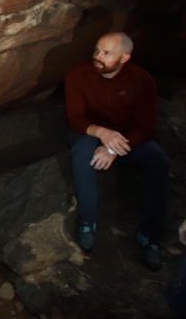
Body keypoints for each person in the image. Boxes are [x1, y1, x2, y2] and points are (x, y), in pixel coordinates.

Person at [65, 32, 169, 271]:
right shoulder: (78, 75)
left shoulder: (142, 81)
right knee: (83, 153)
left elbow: (146, 126)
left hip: (125, 136)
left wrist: (112, 147)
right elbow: (75, 118)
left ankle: (150, 236)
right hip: (89, 131)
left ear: (124, 58)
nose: (98, 57)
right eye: (97, 50)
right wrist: (101, 133)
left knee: (158, 161)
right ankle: (87, 222)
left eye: (106, 53)